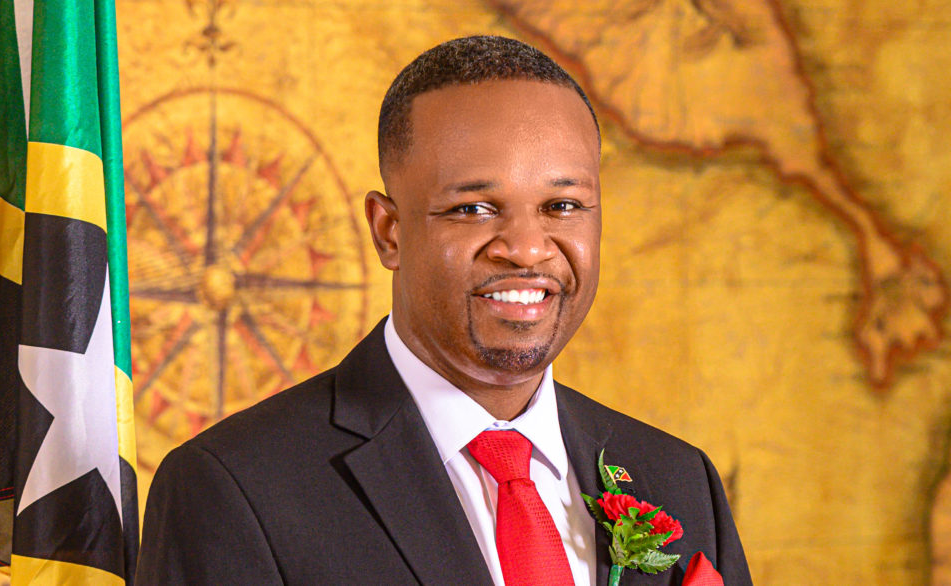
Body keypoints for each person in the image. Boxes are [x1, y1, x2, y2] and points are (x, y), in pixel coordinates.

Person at [135, 36, 752, 585]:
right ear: (389, 232)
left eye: (562, 206)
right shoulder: (234, 489)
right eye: (473, 209)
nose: (527, 248)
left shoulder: (679, 480)